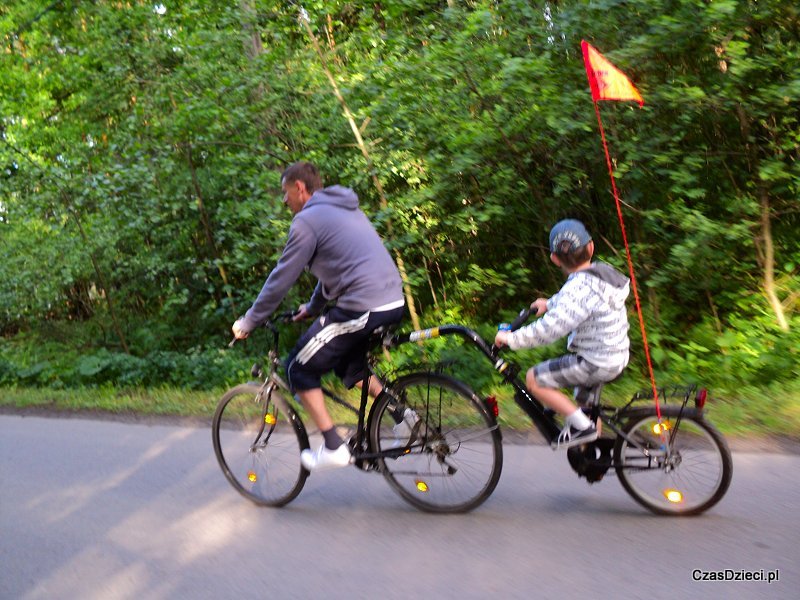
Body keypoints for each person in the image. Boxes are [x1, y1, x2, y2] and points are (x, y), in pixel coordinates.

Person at [232, 162, 406, 471]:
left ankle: (333, 446)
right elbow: (337, 268)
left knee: (298, 367)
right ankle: (405, 419)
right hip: (391, 300)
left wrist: (249, 321)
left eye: (285, 193)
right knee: (349, 367)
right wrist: (312, 307)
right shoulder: (345, 209)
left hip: (363, 305)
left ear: (300, 188)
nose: (284, 201)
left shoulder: (307, 221)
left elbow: (280, 278)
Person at [494, 219, 630, 449]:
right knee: (583, 406)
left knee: (534, 378)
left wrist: (511, 339)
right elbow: (579, 301)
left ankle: (583, 428)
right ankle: (592, 451)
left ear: (555, 259)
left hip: (595, 361)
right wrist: (551, 303)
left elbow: (548, 330)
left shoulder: (577, 289)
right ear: (592, 247)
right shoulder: (603, 273)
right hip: (615, 354)